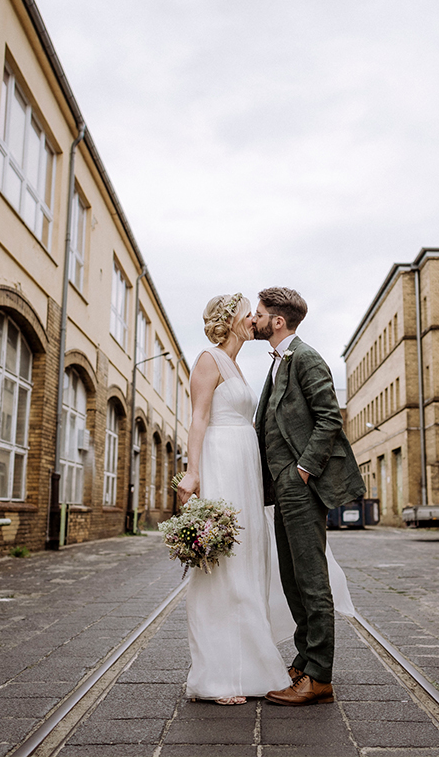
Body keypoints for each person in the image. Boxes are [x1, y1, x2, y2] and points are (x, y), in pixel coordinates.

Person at [253, 287, 366, 706]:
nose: (255, 319)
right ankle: (304, 660)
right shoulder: (280, 362)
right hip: (283, 487)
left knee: (312, 579)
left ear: (277, 321)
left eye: (260, 313)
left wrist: (303, 469)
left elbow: (329, 417)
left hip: (300, 485)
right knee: (292, 578)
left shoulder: (305, 356)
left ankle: (320, 676)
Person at [175, 293, 289, 705]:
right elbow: (199, 418)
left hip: (246, 468)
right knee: (224, 564)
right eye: (248, 314)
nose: (254, 319)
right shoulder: (208, 360)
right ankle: (221, 675)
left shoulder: (238, 365)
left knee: (249, 559)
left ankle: (251, 664)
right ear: (233, 320)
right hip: (222, 462)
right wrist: (193, 472)